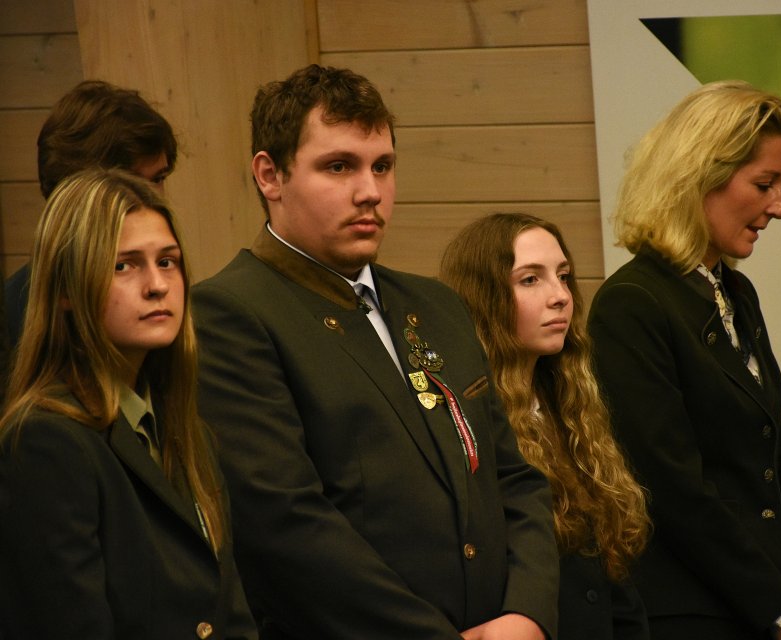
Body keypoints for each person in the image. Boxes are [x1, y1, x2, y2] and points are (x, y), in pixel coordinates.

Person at [191, 65, 559, 639]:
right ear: (270, 175)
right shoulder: (229, 312)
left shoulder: (437, 304)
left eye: (382, 166)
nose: (369, 192)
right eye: (339, 166)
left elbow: (514, 479)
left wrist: (528, 613)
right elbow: (285, 525)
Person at [587, 81, 781, 640]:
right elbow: (673, 489)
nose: (780, 208)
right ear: (699, 175)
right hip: (691, 614)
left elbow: (775, 454)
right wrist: (776, 610)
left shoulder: (737, 294)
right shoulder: (632, 303)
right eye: (765, 184)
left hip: (763, 600)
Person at [0, 169, 255, 639]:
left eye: (168, 261)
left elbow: (228, 611)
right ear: (66, 290)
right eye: (124, 265)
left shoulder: (186, 430)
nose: (157, 285)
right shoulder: (46, 441)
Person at [440, 212, 653, 639]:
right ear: (484, 298)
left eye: (564, 276)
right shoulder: (461, 423)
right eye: (530, 279)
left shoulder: (570, 406)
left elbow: (609, 575)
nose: (560, 297)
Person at [3, 79, 177, 348]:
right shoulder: (13, 322)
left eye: (158, 179)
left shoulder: (167, 289)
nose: (149, 200)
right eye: (128, 184)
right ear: (74, 196)